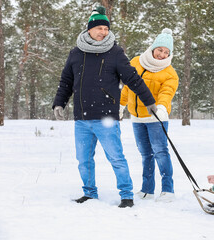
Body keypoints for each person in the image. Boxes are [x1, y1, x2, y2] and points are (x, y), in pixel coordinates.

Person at [52, 6, 157, 208]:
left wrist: (149, 101)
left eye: (106, 29)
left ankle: (126, 195)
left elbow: (133, 79)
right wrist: (59, 102)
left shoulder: (115, 52)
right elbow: (66, 80)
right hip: (82, 118)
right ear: (89, 29)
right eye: (100, 28)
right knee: (83, 161)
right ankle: (89, 193)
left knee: (116, 158)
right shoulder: (76, 53)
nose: (104, 32)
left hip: (106, 117)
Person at [120, 28, 179, 202]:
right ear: (153, 47)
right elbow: (128, 86)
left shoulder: (170, 73)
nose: (162, 54)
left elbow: (167, 92)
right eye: (160, 49)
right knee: (145, 154)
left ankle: (168, 190)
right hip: (137, 118)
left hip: (156, 118)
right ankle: (147, 189)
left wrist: (161, 107)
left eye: (166, 52)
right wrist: (120, 104)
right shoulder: (137, 62)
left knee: (160, 152)